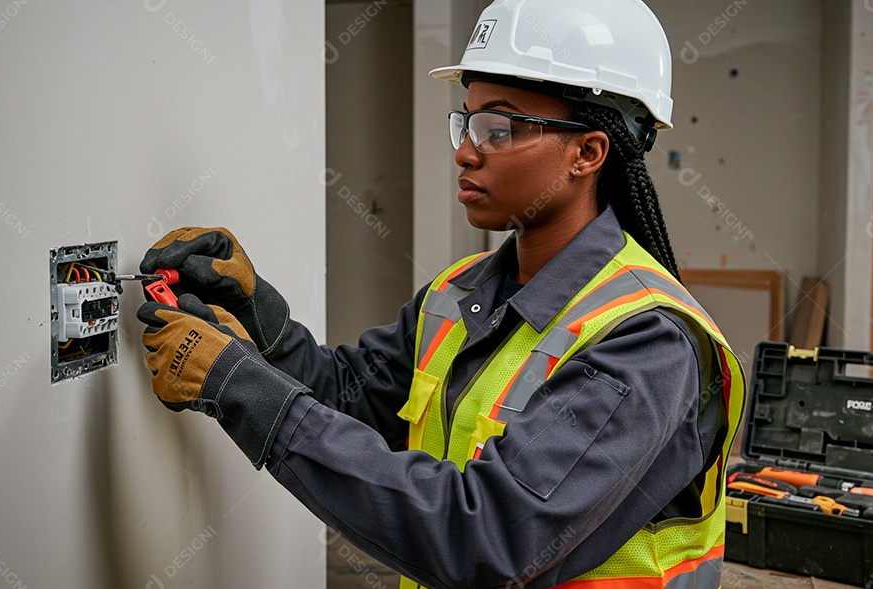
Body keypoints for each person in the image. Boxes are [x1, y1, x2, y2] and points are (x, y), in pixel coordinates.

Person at [136, 1, 745, 587]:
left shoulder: (647, 342)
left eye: (498, 128)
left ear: (587, 153)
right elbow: (354, 400)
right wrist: (253, 313)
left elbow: (485, 539)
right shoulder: (462, 292)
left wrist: (240, 389)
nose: (463, 150)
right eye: (466, 119)